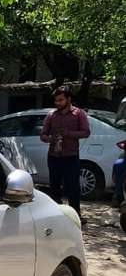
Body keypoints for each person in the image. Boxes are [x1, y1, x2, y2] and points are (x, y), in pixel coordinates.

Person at [40, 85, 90, 219]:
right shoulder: (51, 115)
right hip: (54, 156)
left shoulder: (79, 114)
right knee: (54, 187)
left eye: (61, 100)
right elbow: (43, 135)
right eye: (56, 101)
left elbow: (86, 132)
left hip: (71, 156)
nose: (58, 103)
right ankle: (56, 216)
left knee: (73, 188)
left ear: (68, 99)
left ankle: (76, 217)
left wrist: (68, 133)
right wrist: (50, 139)